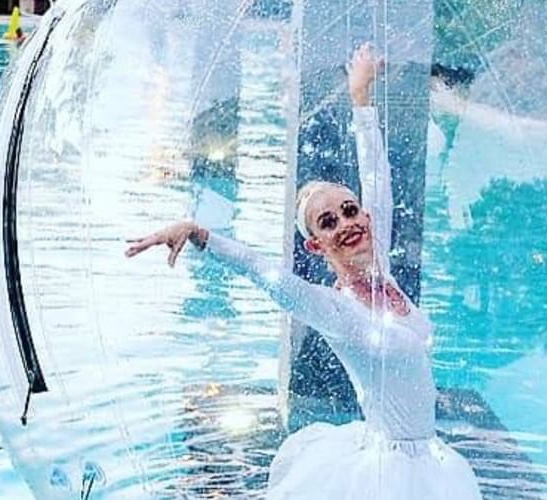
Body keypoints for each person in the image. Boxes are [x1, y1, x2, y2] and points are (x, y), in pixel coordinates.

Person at [124, 44, 482, 500]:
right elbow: (268, 276)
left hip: (426, 462)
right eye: (328, 222)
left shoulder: (384, 275)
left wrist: (361, 98)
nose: (346, 223)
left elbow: (377, 179)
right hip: (388, 477)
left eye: (350, 211)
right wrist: (200, 234)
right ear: (315, 244)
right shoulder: (335, 308)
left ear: (367, 218)